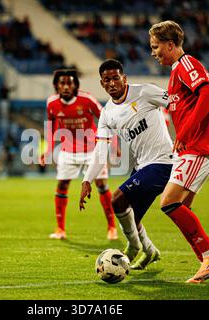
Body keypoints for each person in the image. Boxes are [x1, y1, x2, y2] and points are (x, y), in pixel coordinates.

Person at [149, 20, 209, 283]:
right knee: (180, 206)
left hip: (196, 147)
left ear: (170, 45)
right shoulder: (175, 73)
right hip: (195, 145)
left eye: (156, 47)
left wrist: (183, 134)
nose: (153, 52)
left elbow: (208, 95)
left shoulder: (186, 65)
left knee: (169, 201)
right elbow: (193, 106)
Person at [79, 59, 172, 270]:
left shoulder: (145, 92)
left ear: (124, 78)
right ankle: (150, 252)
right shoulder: (106, 114)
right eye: (106, 80)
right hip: (142, 166)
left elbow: (179, 106)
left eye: (115, 78)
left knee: (117, 200)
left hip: (164, 161)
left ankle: (132, 247)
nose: (112, 83)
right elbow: (101, 149)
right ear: (102, 84)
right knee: (131, 216)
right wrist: (87, 179)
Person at [40, 69, 117, 241]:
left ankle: (112, 227)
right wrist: (48, 150)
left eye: (69, 83)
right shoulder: (51, 103)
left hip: (93, 149)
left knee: (102, 185)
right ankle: (60, 229)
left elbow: (106, 118)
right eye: (62, 83)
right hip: (68, 151)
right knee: (62, 186)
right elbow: (52, 127)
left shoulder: (87, 99)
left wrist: (114, 144)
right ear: (56, 86)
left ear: (75, 85)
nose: (66, 86)